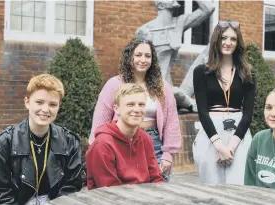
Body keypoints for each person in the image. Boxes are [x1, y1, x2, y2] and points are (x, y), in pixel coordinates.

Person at [88, 38, 181, 180]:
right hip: (121, 142)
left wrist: (168, 154)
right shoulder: (114, 84)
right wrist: (97, 147)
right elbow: (101, 119)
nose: (143, 60)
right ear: (129, 57)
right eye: (138, 55)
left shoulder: (162, 87)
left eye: (147, 56)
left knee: (157, 190)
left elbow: (171, 122)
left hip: (154, 142)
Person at [0, 74, 83, 205]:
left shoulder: (70, 142)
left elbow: (72, 187)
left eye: (53, 104)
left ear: (59, 106)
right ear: (27, 102)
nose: (45, 109)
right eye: (39, 102)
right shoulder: (4, 142)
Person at [192, 20, 256, 185]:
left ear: (238, 42)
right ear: (216, 40)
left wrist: (231, 147)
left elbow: (248, 114)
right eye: (223, 38)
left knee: (240, 188)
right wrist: (220, 147)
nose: (228, 43)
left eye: (233, 39)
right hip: (211, 135)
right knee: (212, 190)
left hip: (239, 137)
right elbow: (202, 112)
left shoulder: (248, 73)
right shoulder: (201, 72)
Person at [86, 83, 165, 189]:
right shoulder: (102, 145)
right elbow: (109, 191)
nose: (137, 110)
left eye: (141, 104)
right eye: (130, 104)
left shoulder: (145, 139)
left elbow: (156, 178)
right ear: (116, 108)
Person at [136, 0, 215, 85]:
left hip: (166, 84)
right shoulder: (144, 30)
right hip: (147, 83)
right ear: (160, 5)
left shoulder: (179, 22)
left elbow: (209, 8)